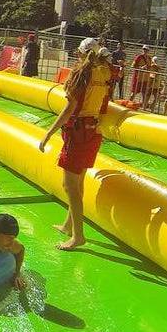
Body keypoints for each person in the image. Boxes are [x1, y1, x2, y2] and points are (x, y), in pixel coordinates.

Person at [37, 37, 113, 250]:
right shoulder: (104, 73)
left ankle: (78, 236)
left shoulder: (81, 74)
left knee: (69, 185)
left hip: (78, 133)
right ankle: (68, 226)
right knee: (78, 183)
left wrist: (48, 133)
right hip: (92, 131)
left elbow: (69, 108)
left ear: (80, 54)